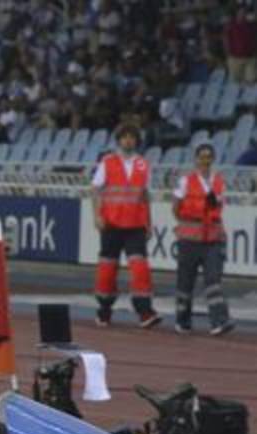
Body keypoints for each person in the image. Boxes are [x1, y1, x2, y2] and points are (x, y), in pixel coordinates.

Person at [90, 122, 161, 328]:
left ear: (136, 141)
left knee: (140, 268)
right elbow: (95, 190)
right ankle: (104, 309)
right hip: (111, 223)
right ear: (119, 140)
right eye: (125, 137)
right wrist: (97, 216)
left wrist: (149, 222)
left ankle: (144, 310)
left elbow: (145, 196)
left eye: (132, 137)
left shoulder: (143, 165)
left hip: (136, 225)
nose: (128, 140)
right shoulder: (108, 162)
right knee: (107, 269)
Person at [171, 144, 235, 335]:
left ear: (213, 159)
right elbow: (175, 207)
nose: (205, 160)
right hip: (190, 238)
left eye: (208, 157)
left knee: (213, 280)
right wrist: (187, 219)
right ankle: (182, 321)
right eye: (202, 157)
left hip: (213, 239)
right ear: (196, 159)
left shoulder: (219, 182)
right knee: (185, 282)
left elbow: (220, 206)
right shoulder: (185, 181)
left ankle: (219, 321)